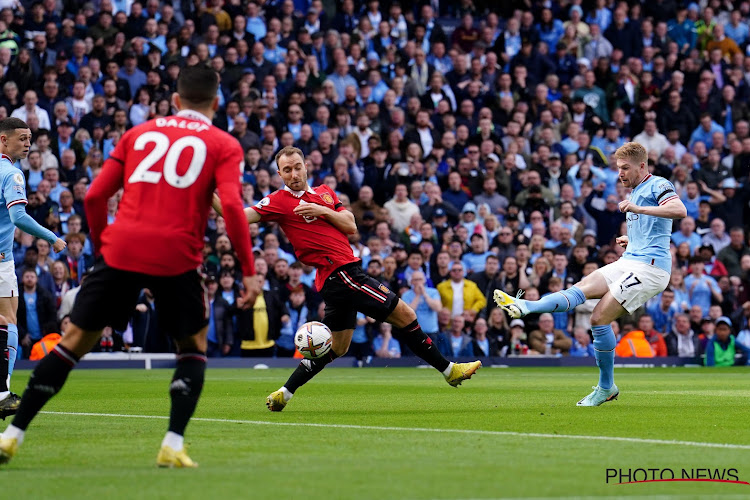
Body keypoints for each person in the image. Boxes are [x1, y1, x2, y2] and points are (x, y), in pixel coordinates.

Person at [0, 66, 260, 468]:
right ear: (216, 102)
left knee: (72, 345)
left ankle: (12, 437)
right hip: (177, 255)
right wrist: (247, 269)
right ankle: (172, 443)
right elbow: (231, 211)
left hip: (121, 250)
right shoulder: (224, 144)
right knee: (193, 349)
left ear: (174, 100)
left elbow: (96, 196)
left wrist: (105, 247)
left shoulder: (138, 134)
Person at [213, 146, 481, 412]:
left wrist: (322, 211)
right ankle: (449, 370)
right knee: (404, 312)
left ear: (306, 167)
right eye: (287, 170)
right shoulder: (279, 201)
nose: (293, 173)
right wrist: (207, 194)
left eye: (297, 167)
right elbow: (234, 215)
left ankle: (285, 392)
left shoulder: (324, 193)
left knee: (337, 348)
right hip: (341, 273)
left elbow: (350, 225)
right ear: (280, 174)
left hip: (337, 278)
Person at [495, 142, 687, 405]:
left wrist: (637, 209)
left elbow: (679, 210)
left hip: (651, 269)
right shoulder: (636, 190)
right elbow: (654, 231)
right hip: (632, 259)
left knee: (598, 318)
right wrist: (631, 240)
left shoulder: (658, 184)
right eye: (618, 168)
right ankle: (527, 305)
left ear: (642, 166)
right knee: (582, 287)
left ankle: (606, 387)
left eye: (625, 168)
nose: (620, 173)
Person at [0, 118, 66, 421]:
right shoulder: (11, 174)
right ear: (4, 140)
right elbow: (19, 217)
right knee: (7, 320)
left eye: (30, 138)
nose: (28, 143)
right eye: (23, 138)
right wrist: (52, 237)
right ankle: (2, 392)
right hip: (1, 259)